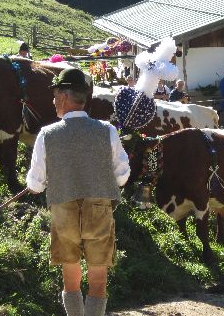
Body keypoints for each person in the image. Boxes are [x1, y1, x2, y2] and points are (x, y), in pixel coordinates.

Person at [26, 68, 130, 316]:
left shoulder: (46, 135)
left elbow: (36, 184)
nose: (53, 101)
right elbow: (123, 175)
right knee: (98, 282)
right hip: (99, 210)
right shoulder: (107, 130)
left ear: (63, 97)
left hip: (64, 211)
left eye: (54, 96)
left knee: (70, 280)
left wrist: (37, 184)